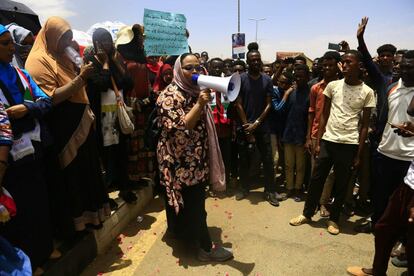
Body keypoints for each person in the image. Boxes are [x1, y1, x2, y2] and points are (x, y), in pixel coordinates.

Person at [25, 17, 110, 234]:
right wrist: (81, 79)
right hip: (63, 127)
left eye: (70, 37)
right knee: (72, 177)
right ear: (52, 36)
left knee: (87, 172)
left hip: (80, 123)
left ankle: (92, 218)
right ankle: (76, 226)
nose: (68, 42)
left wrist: (79, 69)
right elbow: (51, 98)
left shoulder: (62, 56)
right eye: (64, 38)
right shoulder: (38, 61)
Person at [156, 53, 232, 261]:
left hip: (195, 160)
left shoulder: (193, 91)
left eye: (197, 67)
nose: (195, 72)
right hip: (179, 162)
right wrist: (199, 105)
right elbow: (181, 127)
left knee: (191, 202)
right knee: (196, 205)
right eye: (189, 68)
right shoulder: (168, 96)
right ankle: (206, 249)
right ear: (179, 70)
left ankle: (185, 237)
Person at [290, 50, 375, 235]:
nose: (344, 65)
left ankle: (334, 219)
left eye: (348, 62)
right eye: (343, 62)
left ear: (358, 66)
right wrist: (318, 141)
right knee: (316, 179)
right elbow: (323, 116)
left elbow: (364, 126)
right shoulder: (333, 86)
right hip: (328, 140)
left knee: (341, 184)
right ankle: (307, 213)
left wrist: (358, 154)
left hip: (349, 143)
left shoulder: (367, 92)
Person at [347, 50, 414, 276]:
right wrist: (360, 42)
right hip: (386, 155)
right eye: (402, 66)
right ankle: (379, 267)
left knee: (406, 218)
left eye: (410, 67)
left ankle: (403, 248)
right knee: (382, 214)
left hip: (409, 163)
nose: (404, 70)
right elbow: (372, 68)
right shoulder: (391, 86)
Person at [0, 24, 58, 274]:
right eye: (4, 43)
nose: (11, 47)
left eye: (10, 41)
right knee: (16, 210)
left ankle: (43, 250)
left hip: (32, 150)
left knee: (38, 202)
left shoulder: (21, 74)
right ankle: (27, 260)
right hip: (7, 158)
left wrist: (28, 109)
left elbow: (45, 101)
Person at [86, 28, 137, 205]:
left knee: (121, 151)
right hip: (101, 118)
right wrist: (105, 64)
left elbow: (128, 83)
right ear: (96, 43)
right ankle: (107, 193)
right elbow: (100, 84)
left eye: (109, 41)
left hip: (118, 113)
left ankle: (124, 187)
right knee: (105, 155)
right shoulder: (91, 62)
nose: (107, 44)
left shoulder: (115, 60)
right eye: (103, 41)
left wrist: (116, 64)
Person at [234, 48, 283, 206]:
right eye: (252, 60)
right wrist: (246, 124)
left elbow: (269, 104)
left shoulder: (267, 80)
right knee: (243, 159)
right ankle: (244, 188)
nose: (255, 62)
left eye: (258, 59)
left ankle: (269, 191)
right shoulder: (240, 79)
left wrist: (257, 123)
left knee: (268, 160)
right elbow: (238, 104)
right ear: (248, 62)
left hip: (262, 126)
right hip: (245, 126)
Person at [116, 25, 156, 183]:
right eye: (139, 38)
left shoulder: (141, 57)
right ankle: (133, 178)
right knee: (132, 144)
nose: (142, 41)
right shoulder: (121, 58)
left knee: (143, 143)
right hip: (131, 108)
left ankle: (143, 176)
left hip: (145, 107)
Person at [305, 51, 341, 217]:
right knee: (317, 173)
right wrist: (309, 137)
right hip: (317, 135)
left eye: (331, 65)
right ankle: (315, 204)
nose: (327, 68)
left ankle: (324, 202)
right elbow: (311, 112)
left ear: (337, 66)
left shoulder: (343, 87)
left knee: (332, 175)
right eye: (324, 65)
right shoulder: (315, 88)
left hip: (336, 135)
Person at [279, 64, 310, 200]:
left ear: (307, 77)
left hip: (302, 135)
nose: (298, 79)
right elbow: (284, 114)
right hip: (288, 134)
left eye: (301, 76)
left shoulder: (311, 93)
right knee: (288, 164)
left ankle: (298, 189)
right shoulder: (291, 92)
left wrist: (308, 137)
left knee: (301, 165)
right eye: (296, 76)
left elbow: (311, 117)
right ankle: (289, 189)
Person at [208, 58, 233, 192]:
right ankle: (212, 182)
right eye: (214, 67)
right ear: (209, 68)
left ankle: (226, 180)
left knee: (226, 156)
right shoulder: (204, 84)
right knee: (211, 157)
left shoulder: (228, 84)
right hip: (211, 128)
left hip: (225, 128)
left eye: (220, 67)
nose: (217, 70)